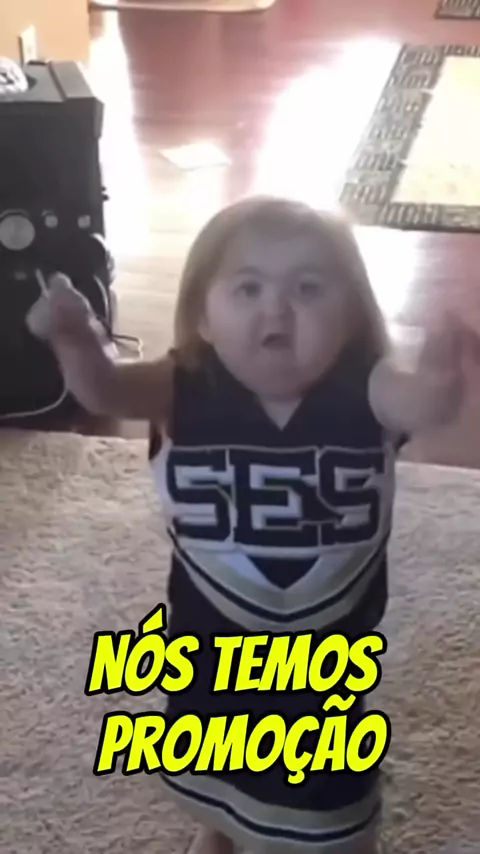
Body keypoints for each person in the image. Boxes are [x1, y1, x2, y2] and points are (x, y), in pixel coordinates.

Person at [27, 197, 467, 854]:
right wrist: (74, 336)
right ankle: (223, 820)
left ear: (351, 316)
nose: (277, 309)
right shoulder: (181, 383)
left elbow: (424, 404)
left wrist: (441, 373)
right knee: (214, 748)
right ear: (203, 316)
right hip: (209, 641)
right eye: (248, 287)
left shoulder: (369, 387)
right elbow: (106, 390)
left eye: (308, 288)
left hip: (324, 656)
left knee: (326, 783)